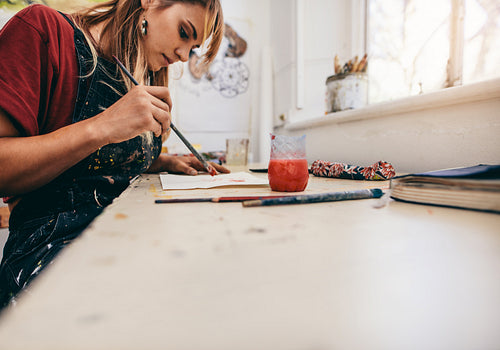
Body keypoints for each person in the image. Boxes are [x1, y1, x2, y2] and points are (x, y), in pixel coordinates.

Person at [0, 0, 228, 309]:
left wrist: (158, 160)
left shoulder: (139, 73)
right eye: (183, 32)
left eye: (193, 48)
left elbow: (94, 164)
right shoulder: (42, 30)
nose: (183, 56)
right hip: (48, 267)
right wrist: (103, 126)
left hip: (124, 246)